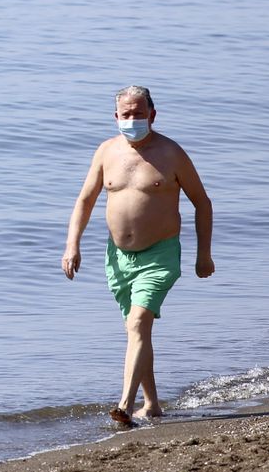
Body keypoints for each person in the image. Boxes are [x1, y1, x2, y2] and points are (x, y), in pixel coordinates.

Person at [61, 86, 214, 427]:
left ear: (152, 115)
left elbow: (202, 202)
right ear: (116, 117)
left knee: (138, 323)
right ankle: (153, 404)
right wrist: (73, 245)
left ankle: (125, 406)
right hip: (117, 258)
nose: (132, 120)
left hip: (160, 255)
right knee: (136, 331)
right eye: (126, 115)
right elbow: (85, 200)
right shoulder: (106, 152)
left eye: (138, 113)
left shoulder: (171, 153)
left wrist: (204, 254)